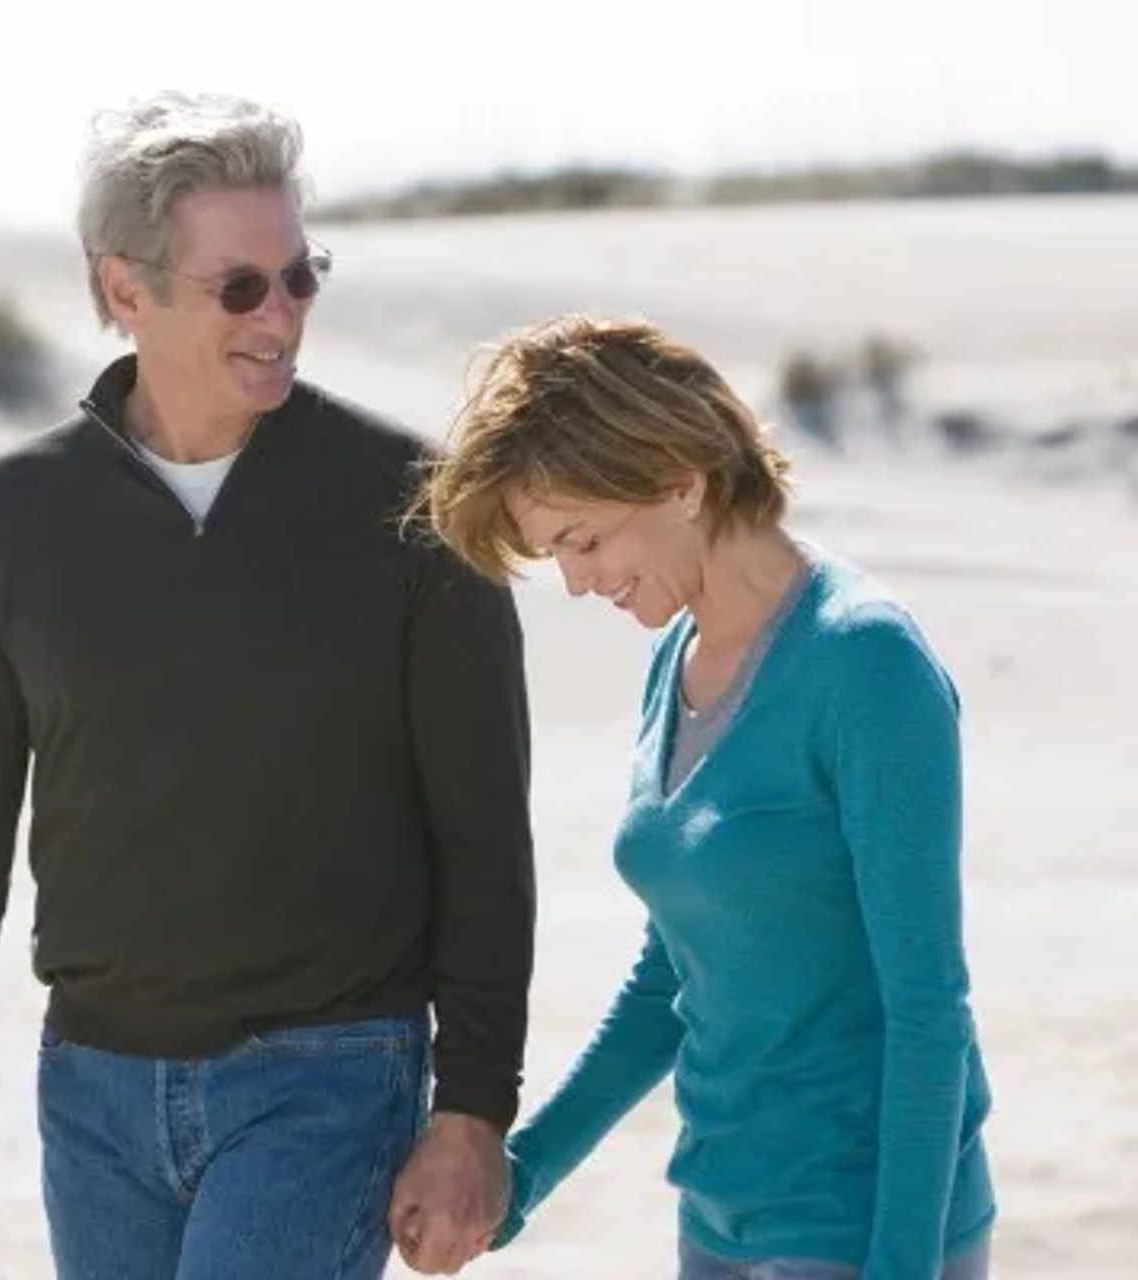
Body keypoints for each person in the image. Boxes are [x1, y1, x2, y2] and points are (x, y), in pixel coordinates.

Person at [0, 91, 537, 1280]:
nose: (281, 316)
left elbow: (484, 831)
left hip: (330, 1076)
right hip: (92, 1096)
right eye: (241, 286)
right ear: (124, 290)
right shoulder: (9, 527)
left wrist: (474, 1108)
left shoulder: (413, 510)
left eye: (301, 277)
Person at [412, 314, 996, 1279]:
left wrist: (901, 1268)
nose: (573, 580)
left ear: (680, 479)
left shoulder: (866, 665)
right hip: (721, 1215)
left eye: (582, 539)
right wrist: (523, 1176)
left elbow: (928, 1008)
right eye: (553, 553)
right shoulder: (673, 662)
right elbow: (672, 976)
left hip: (857, 1227)